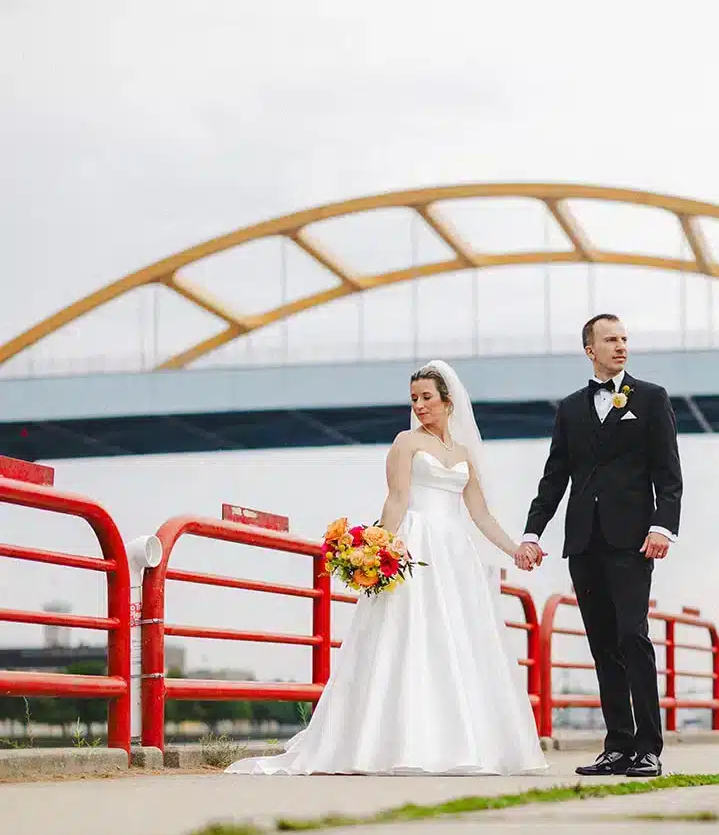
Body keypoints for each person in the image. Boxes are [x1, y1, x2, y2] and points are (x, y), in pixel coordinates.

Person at [228, 360, 546, 776]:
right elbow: (396, 500)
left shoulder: (464, 454)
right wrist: (380, 549)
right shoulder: (406, 443)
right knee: (408, 637)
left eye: (427, 398)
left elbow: (480, 514)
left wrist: (515, 549)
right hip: (415, 546)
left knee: (456, 643)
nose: (419, 406)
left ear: (448, 402)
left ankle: (461, 744)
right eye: (414, 399)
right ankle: (395, 743)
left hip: (454, 552)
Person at [516, 314, 682, 777]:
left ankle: (648, 747)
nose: (621, 346)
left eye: (625, 338)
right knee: (602, 644)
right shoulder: (570, 408)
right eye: (611, 340)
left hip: (633, 542)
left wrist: (662, 527)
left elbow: (668, 473)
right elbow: (554, 479)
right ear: (590, 349)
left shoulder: (651, 399)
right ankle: (617, 746)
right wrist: (532, 533)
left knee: (634, 637)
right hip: (583, 541)